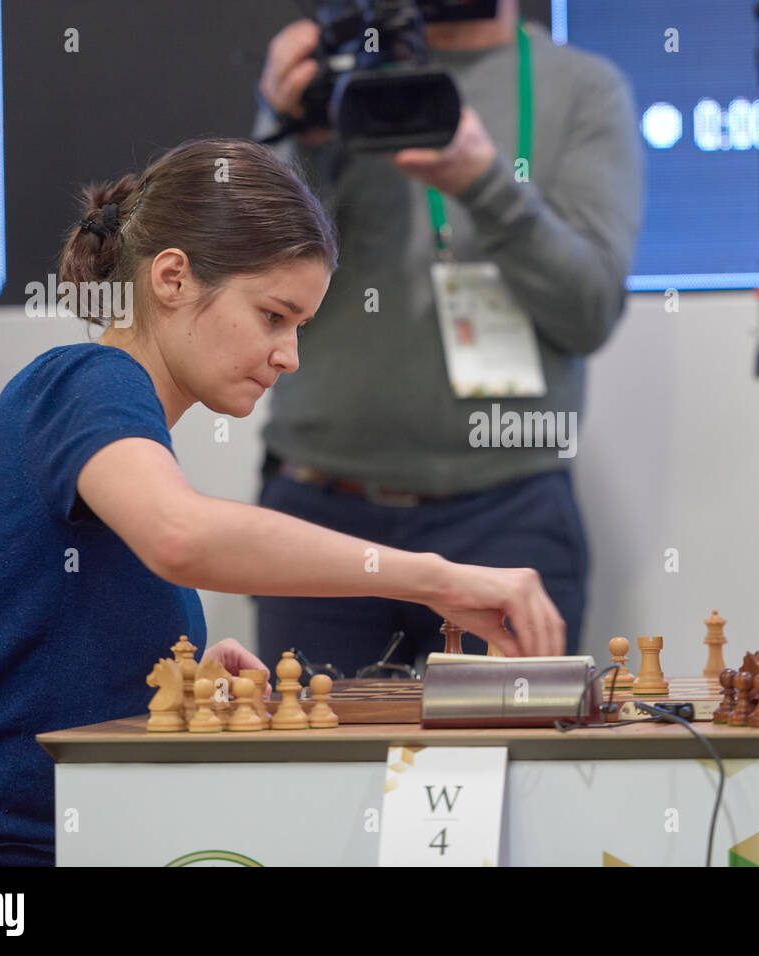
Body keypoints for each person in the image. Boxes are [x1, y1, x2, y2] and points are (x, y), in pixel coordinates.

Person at [0, 138, 563, 866]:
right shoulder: (85, 381)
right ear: (172, 277)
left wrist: (175, 667)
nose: (291, 355)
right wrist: (440, 578)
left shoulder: (106, 431)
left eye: (300, 327)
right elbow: (182, 535)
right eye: (274, 316)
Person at [252, 0, 643, 673]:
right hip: (321, 508)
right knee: (312, 767)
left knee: (507, 768)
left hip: (506, 510)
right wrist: (297, 132)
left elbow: (590, 308)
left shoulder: (581, 87)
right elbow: (255, 275)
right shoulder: (340, 68)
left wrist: (485, 185)